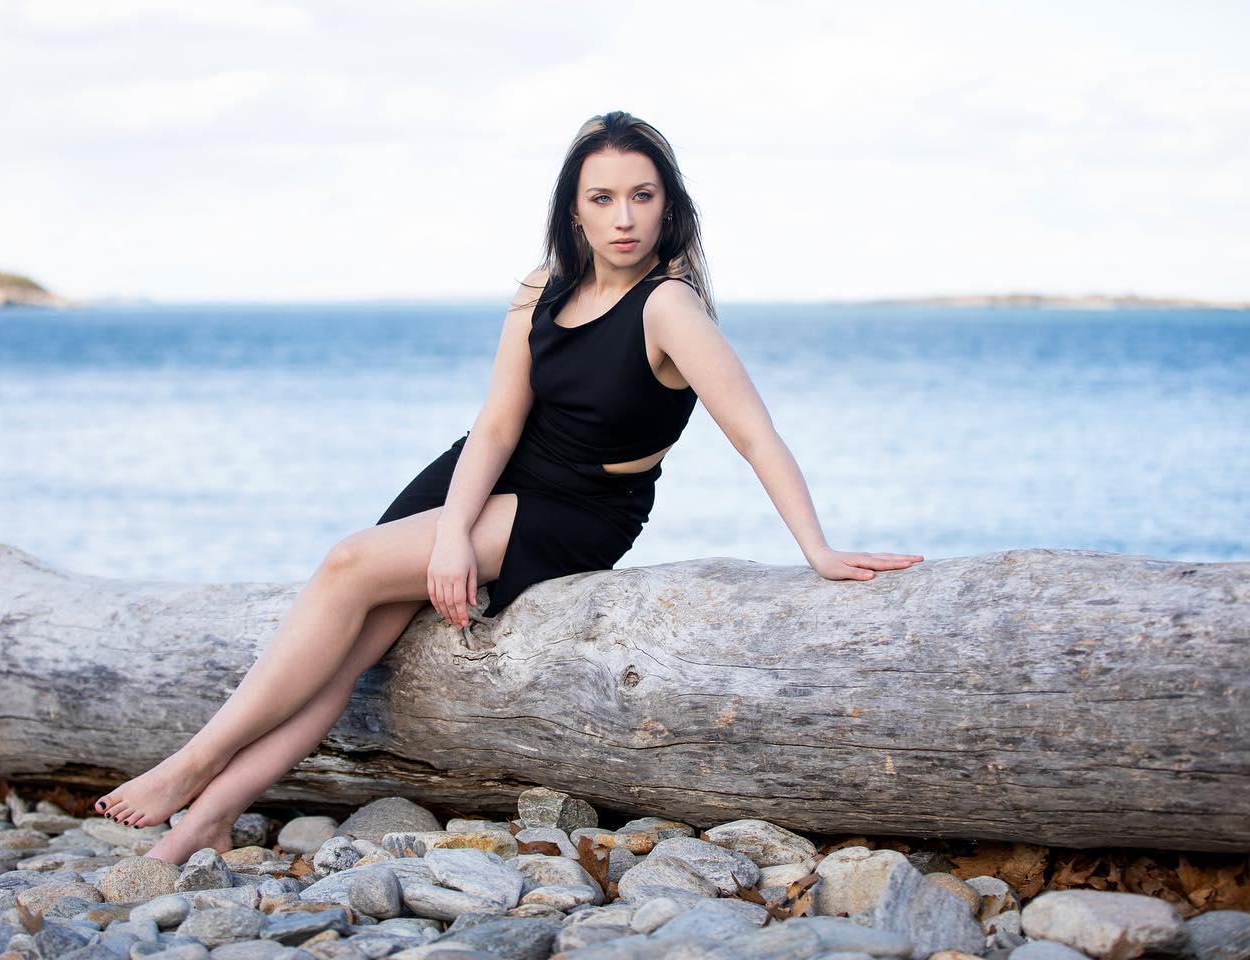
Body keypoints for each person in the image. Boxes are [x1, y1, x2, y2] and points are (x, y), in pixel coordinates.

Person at [92, 110, 924, 865]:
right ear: (575, 210)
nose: (624, 218)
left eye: (642, 196)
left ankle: (192, 765)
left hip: (577, 508)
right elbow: (494, 425)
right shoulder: (541, 288)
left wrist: (816, 549)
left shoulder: (670, 308)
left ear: (669, 206)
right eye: (603, 198)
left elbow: (753, 433)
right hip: (489, 471)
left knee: (347, 563)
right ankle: (210, 819)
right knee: (356, 641)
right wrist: (453, 533)